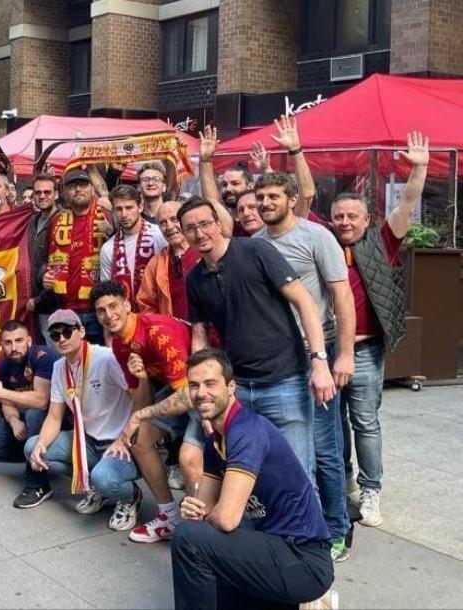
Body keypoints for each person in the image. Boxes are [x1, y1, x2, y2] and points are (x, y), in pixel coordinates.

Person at [180, 196, 335, 476]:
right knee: (252, 473)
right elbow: (200, 334)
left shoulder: (255, 250)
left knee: (298, 473)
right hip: (238, 387)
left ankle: (311, 521)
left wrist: (320, 362)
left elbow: (305, 302)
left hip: (285, 381)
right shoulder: (194, 279)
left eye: (205, 224)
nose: (199, 233)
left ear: (218, 224)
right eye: (190, 228)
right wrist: (205, 391)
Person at [172, 349, 335, 610]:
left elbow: (224, 519)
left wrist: (206, 516)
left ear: (231, 387)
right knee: (208, 573)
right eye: (194, 385)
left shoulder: (247, 430)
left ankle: (304, 598)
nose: (201, 392)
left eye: (210, 383)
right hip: (272, 549)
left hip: (303, 560)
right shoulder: (215, 441)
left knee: (188, 538)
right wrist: (195, 509)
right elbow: (204, 511)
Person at [253, 171, 355, 561]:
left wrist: (341, 356)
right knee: (290, 450)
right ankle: (298, 523)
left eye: (273, 196)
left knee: (326, 449)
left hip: (320, 354)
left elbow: (341, 297)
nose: (265, 203)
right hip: (279, 359)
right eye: (260, 196)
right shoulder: (256, 244)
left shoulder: (317, 237)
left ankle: (335, 528)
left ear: (292, 197)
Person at [331, 131, 429, 529]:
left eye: (352, 216)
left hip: (366, 350)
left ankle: (371, 490)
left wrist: (419, 168)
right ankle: (343, 481)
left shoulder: (383, 242)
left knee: (365, 421)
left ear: (366, 219)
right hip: (328, 350)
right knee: (333, 423)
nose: (345, 222)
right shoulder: (322, 244)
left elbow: (406, 203)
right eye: (339, 216)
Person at [91, 280, 198, 542]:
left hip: (202, 390)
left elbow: (188, 397)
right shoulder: (119, 344)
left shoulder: (156, 331)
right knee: (141, 441)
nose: (108, 315)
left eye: (113, 306)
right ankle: (168, 516)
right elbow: (143, 400)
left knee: (189, 457)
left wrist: (139, 417)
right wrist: (142, 378)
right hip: (177, 390)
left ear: (127, 305)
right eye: (101, 310)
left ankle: (201, 531)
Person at [25, 309, 142, 531]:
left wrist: (125, 436)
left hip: (121, 442)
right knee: (33, 447)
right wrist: (41, 443)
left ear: (82, 331)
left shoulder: (106, 358)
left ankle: (130, 496)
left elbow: (139, 399)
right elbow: (54, 416)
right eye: (55, 335)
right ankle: (96, 485)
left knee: (105, 479)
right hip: (86, 441)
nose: (61, 339)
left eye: (67, 332)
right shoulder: (59, 367)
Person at [0, 320, 57, 508]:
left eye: (19, 340)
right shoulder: (5, 366)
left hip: (57, 421)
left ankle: (38, 484)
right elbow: (7, 403)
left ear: (29, 340)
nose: (14, 347)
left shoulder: (42, 356)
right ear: (1, 345)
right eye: (8, 342)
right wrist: (13, 422)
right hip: (27, 420)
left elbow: (41, 400)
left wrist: (2, 392)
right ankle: (40, 459)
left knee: (33, 414)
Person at [44, 169, 113, 344]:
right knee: (72, 365)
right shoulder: (56, 220)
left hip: (98, 309)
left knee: (99, 363)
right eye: (72, 186)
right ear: (65, 193)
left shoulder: (107, 217)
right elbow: (43, 260)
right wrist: (43, 275)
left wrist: (112, 232)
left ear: (92, 189)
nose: (78, 189)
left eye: (83, 185)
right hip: (65, 308)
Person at [99, 185, 167, 310]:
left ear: (140, 207)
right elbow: (107, 293)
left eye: (129, 208)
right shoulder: (108, 249)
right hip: (126, 320)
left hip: (159, 315)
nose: (124, 214)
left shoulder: (160, 236)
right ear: (113, 211)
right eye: (118, 209)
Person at [136, 199, 202, 319]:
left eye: (174, 219)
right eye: (163, 223)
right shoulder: (156, 263)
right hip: (175, 333)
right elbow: (146, 304)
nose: (169, 227)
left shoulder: (204, 251)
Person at [25, 174, 60, 343]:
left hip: (54, 303)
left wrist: (39, 301)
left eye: (47, 192)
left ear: (56, 194)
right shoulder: (32, 220)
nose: (42, 196)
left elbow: (61, 267)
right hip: (36, 303)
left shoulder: (64, 219)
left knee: (58, 352)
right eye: (38, 192)